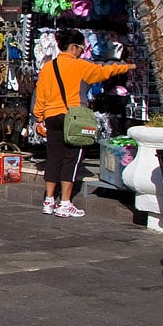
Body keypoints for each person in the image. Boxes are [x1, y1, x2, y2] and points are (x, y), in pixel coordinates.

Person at [32, 28, 134, 218]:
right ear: (73, 47)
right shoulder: (80, 66)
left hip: (51, 117)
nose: (83, 51)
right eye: (81, 47)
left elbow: (40, 95)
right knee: (72, 159)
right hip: (74, 117)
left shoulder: (48, 67)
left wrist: (39, 117)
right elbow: (103, 71)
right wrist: (126, 67)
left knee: (53, 158)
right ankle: (65, 203)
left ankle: (49, 200)